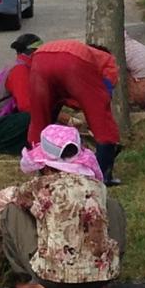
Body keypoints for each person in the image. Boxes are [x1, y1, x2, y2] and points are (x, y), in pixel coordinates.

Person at [0, 124, 125, 288]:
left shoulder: (40, 186)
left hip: (53, 279)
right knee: (112, 206)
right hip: (100, 278)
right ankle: (102, 276)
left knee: (11, 210)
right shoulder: (98, 187)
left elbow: (3, 199)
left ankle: (35, 280)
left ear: (46, 167)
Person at [27, 39, 122, 184]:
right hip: (73, 62)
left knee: (40, 116)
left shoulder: (83, 50)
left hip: (40, 58)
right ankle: (103, 174)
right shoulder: (107, 60)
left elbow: (59, 99)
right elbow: (103, 98)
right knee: (102, 122)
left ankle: (40, 167)